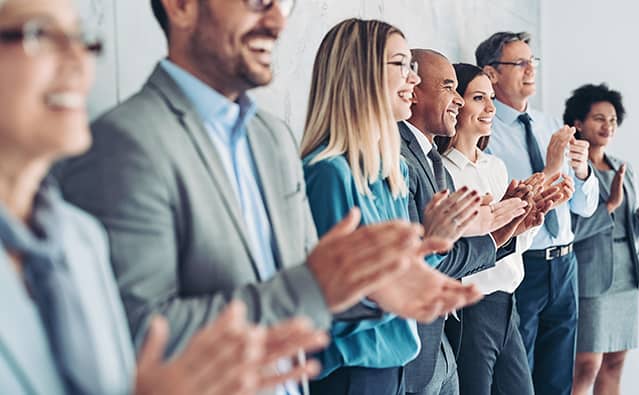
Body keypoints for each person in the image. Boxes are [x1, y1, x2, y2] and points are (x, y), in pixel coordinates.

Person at [0, 0, 329, 394]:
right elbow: (145, 333)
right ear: (182, 7)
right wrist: (312, 287)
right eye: (38, 33)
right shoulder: (124, 142)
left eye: (82, 38)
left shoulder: (78, 238)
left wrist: (366, 286)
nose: (80, 60)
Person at [300, 19, 484, 395]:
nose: (413, 81)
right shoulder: (329, 173)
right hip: (353, 373)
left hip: (396, 368)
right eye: (401, 65)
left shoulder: (393, 171)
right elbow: (331, 300)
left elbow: (406, 278)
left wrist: (432, 245)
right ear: (361, 74)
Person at [476, 31, 600, 395]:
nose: (531, 69)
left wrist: (582, 173)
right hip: (522, 263)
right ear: (492, 73)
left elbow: (584, 206)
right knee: (519, 377)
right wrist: (550, 167)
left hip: (565, 264)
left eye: (534, 61)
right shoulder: (485, 133)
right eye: (520, 62)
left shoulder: (550, 125)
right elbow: (502, 205)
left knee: (559, 377)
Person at [435, 63, 570, 395]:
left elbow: (511, 249)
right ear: (455, 102)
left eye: (491, 98)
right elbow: (455, 253)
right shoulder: (442, 172)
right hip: (470, 311)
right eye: (479, 97)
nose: (491, 108)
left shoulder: (494, 166)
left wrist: (529, 219)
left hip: (508, 307)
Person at [400, 49, 528, 395]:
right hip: (453, 319)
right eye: (449, 88)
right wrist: (492, 233)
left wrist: (514, 225)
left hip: (454, 328)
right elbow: (431, 258)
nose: (457, 100)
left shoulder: (434, 161)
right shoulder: (413, 161)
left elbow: (443, 250)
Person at [563, 83, 639, 395]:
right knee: (586, 364)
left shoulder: (622, 169)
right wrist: (609, 207)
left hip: (627, 277)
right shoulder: (571, 168)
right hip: (591, 277)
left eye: (613, 119)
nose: (607, 126)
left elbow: (629, 231)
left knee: (616, 362)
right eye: (599, 118)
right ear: (578, 123)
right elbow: (570, 230)